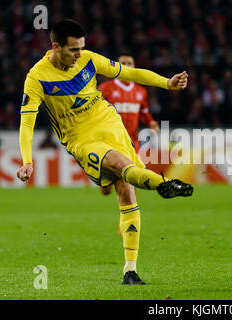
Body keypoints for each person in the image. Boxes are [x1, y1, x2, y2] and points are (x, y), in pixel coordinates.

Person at [16, 19, 193, 285]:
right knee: (122, 165)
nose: (79, 54)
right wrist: (27, 160)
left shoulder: (88, 59)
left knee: (126, 188)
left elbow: (129, 74)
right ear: (55, 47)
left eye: (81, 48)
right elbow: (26, 122)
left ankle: (130, 271)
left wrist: (166, 83)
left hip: (110, 122)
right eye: (73, 49)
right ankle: (164, 184)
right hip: (81, 138)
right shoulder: (37, 78)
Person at [98, 53, 159, 196]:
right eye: (123, 63)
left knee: (132, 177)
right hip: (109, 140)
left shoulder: (141, 91)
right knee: (105, 191)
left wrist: (151, 122)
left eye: (129, 63)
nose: (126, 66)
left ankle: (132, 213)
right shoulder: (105, 88)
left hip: (132, 141)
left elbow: (143, 112)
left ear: (134, 66)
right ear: (116, 67)